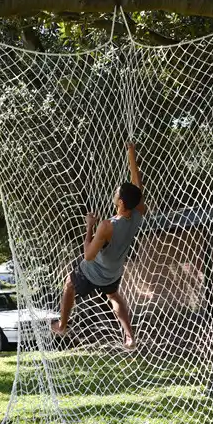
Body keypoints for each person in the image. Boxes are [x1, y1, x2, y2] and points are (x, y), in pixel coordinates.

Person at [50, 142, 146, 349]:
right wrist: (131, 153)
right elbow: (136, 186)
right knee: (113, 295)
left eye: (117, 192)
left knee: (69, 284)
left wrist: (89, 227)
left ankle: (62, 325)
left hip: (94, 270)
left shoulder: (107, 226)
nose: (115, 193)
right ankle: (129, 336)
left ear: (120, 202)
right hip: (115, 271)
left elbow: (88, 256)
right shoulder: (139, 213)